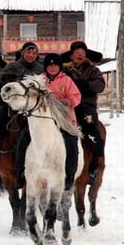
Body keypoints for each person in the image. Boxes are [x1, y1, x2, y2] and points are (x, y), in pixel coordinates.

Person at [14, 53, 82, 190]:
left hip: (63, 119)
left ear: (59, 66)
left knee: (71, 142)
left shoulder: (66, 80)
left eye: (55, 65)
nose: (52, 68)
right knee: (23, 138)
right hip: (42, 119)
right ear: (45, 67)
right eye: (50, 65)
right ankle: (20, 173)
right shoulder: (40, 81)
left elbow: (76, 96)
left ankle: (69, 176)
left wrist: (67, 102)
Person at [0, 41, 44, 166]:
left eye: (34, 53)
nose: (31, 55)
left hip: (35, 107)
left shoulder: (40, 69)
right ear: (23, 53)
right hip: (12, 106)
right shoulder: (12, 67)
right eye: (28, 52)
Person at [61, 41, 105, 185]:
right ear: (71, 55)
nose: (80, 54)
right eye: (76, 52)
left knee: (94, 134)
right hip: (67, 107)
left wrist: (84, 85)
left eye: (82, 52)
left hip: (86, 107)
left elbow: (100, 86)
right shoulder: (64, 71)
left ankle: (94, 167)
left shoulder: (93, 70)